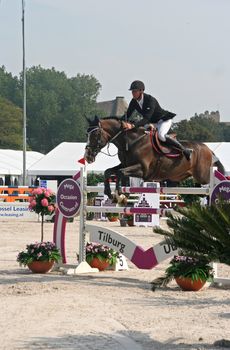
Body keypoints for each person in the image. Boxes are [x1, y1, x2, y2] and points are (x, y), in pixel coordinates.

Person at [126, 80, 192, 161]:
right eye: (132, 91)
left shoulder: (150, 100)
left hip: (163, 120)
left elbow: (146, 118)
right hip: (152, 123)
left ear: (141, 91)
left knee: (161, 136)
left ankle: (184, 150)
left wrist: (133, 125)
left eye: (134, 91)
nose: (132, 93)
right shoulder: (133, 102)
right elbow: (126, 115)